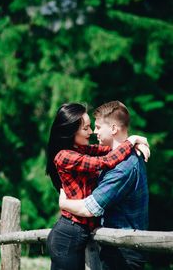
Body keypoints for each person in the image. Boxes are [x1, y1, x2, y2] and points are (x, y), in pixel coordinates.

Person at [46, 102, 149, 270]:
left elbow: (108, 153)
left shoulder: (86, 151)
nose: (92, 132)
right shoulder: (66, 155)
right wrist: (131, 141)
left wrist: (134, 142)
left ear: (113, 128)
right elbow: (106, 161)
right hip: (70, 234)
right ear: (72, 131)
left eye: (96, 127)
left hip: (116, 247)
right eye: (86, 128)